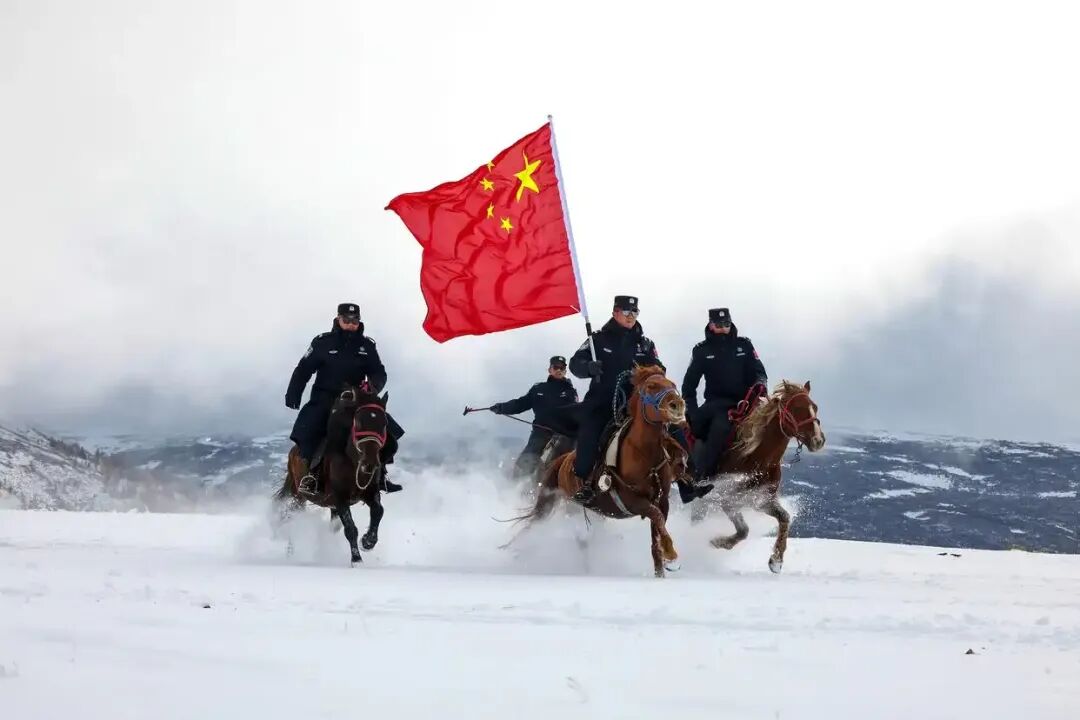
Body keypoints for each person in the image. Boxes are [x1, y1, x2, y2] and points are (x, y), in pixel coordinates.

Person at [285, 302, 403, 495]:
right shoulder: (322, 343)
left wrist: (372, 386)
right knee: (309, 428)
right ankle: (310, 476)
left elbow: (379, 372)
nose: (350, 324)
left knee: (386, 430)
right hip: (325, 398)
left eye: (354, 321)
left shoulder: (367, 346)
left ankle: (380, 475)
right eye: (346, 320)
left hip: (357, 400)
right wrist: (293, 394)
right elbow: (303, 370)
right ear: (338, 319)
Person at [568, 295, 661, 503]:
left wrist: (645, 374)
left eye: (635, 312)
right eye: (627, 312)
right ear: (615, 313)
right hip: (602, 403)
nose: (631, 316)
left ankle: (685, 479)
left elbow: (659, 368)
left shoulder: (645, 344)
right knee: (590, 433)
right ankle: (584, 481)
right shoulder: (597, 340)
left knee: (671, 427)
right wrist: (588, 367)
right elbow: (575, 363)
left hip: (636, 405)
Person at [681, 307, 768, 481]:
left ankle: (768, 471)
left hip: (745, 402)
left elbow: (760, 373)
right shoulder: (702, 350)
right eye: (719, 325)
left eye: (726, 324)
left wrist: (760, 385)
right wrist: (692, 412)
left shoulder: (744, 345)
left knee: (768, 426)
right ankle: (700, 477)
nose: (723, 328)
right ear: (711, 325)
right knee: (705, 428)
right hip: (716, 404)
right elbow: (688, 386)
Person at [490, 355, 579, 479]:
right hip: (542, 432)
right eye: (556, 367)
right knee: (527, 460)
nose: (559, 370)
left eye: (562, 368)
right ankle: (518, 486)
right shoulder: (538, 389)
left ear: (565, 371)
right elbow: (520, 404)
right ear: (550, 369)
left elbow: (575, 412)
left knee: (576, 458)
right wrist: (501, 408)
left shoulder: (570, 391)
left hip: (565, 434)